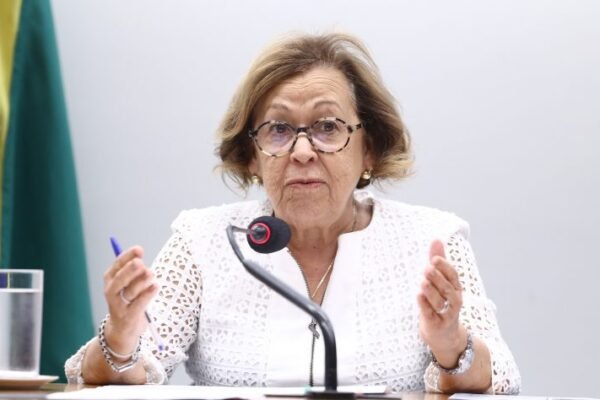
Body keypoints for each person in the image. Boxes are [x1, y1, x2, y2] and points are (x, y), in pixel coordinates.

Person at [65, 32, 521, 394]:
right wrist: (120, 337)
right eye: (279, 129)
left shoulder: (431, 241)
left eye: (328, 127)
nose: (303, 151)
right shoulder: (204, 242)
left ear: (369, 149)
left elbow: (501, 376)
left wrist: (451, 345)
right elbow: (124, 373)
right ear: (252, 155)